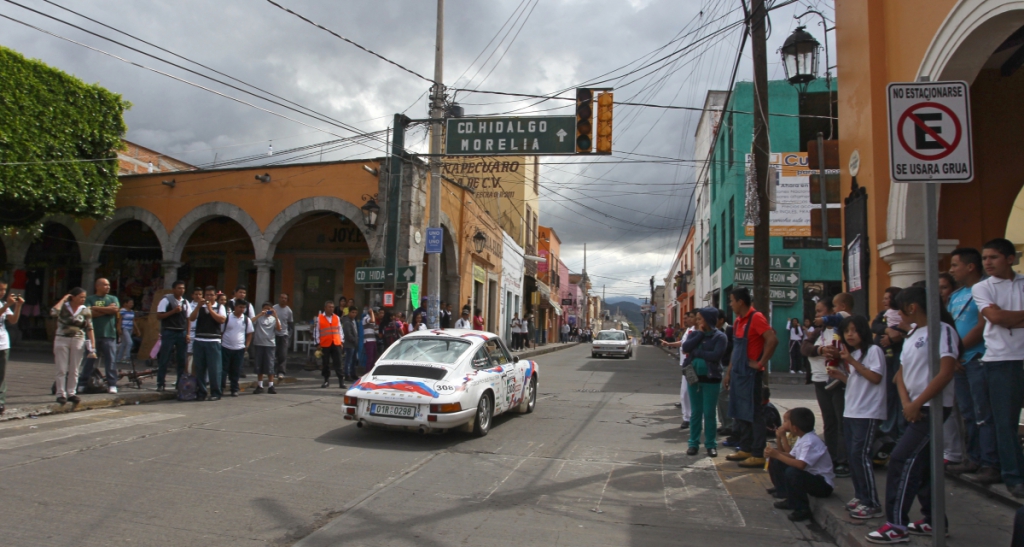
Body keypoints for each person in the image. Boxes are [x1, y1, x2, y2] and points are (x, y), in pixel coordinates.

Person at [866, 286, 958, 543]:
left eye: (898, 308)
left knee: (900, 460)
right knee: (923, 466)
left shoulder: (943, 331)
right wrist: (908, 403)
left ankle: (896, 523)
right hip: (914, 408)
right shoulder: (914, 333)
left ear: (912, 308)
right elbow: (901, 374)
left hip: (931, 409)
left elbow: (946, 371)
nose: (895, 314)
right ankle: (933, 520)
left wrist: (918, 403)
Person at [971, 238, 1024, 498]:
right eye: (985, 258)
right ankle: (1014, 476)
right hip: (1001, 359)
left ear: (1010, 258)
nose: (988, 263)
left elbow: (1005, 318)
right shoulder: (983, 288)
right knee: (1006, 422)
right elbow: (996, 318)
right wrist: (1007, 318)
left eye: (993, 257)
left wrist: (1010, 319)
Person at [945, 248, 999, 482]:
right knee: (967, 414)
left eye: (955, 265)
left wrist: (957, 351)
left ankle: (990, 462)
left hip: (977, 359)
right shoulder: (957, 295)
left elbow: (981, 326)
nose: (951, 269)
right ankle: (973, 457)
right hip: (959, 362)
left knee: (983, 414)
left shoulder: (986, 290)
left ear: (970, 266)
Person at [830, 315, 887, 520]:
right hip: (852, 410)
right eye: (847, 332)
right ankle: (861, 495)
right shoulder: (855, 355)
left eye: (854, 330)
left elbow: (875, 377)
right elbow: (859, 382)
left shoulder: (873, 351)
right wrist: (843, 377)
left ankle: (872, 502)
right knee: (853, 456)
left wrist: (851, 361)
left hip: (867, 412)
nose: (850, 335)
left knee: (861, 455)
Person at [724, 287, 778, 468]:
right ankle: (745, 448)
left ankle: (758, 452)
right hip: (738, 374)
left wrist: (761, 362)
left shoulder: (756, 318)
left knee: (755, 414)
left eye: (732, 301)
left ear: (740, 301)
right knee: (740, 413)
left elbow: (772, 339)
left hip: (750, 374)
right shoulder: (738, 321)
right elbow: (736, 350)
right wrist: (729, 372)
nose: (730, 304)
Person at [801, 298, 851, 479]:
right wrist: (820, 350)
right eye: (816, 312)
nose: (817, 316)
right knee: (829, 420)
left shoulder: (842, 328)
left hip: (836, 380)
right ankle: (832, 457)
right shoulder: (817, 333)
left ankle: (844, 461)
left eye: (820, 311)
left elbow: (843, 317)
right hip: (820, 379)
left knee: (840, 420)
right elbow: (805, 347)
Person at [765, 408, 835, 522]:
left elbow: (800, 465)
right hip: (811, 476)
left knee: (793, 472)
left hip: (823, 484)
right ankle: (787, 496)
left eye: (788, 422)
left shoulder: (810, 441)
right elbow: (791, 456)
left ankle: (802, 509)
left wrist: (778, 455)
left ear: (795, 428)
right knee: (778, 461)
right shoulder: (803, 438)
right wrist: (775, 454)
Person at [681, 307, 727, 457]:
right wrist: (700, 334)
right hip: (693, 378)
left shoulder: (720, 337)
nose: (697, 321)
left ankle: (711, 444)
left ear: (708, 320)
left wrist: (696, 352)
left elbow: (715, 355)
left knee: (709, 413)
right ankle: (693, 443)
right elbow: (686, 348)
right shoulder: (695, 334)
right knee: (696, 413)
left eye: (700, 319)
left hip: (711, 379)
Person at [51, 288, 97, 405]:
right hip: (62, 338)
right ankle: (60, 393)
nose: (83, 299)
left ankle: (71, 392)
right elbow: (53, 312)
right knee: (61, 368)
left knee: (74, 368)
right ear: (73, 297)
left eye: (84, 297)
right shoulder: (64, 307)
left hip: (78, 339)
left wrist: (92, 345)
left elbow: (89, 328)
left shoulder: (85, 310)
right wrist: (63, 299)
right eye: (80, 297)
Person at [872, 287, 906, 443]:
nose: (884, 301)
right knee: (888, 393)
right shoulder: (883, 315)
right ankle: (888, 429)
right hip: (885, 356)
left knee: (897, 393)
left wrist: (893, 338)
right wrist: (887, 331)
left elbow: (905, 330)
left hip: (897, 357)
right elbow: (875, 325)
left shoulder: (902, 314)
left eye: (887, 298)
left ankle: (897, 429)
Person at [80, 278, 119, 394]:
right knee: (89, 360)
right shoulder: (90, 299)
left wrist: (95, 309)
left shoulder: (113, 298)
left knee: (111, 360)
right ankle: (82, 383)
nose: (108, 287)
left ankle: (112, 384)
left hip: (109, 334)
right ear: (97, 286)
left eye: (109, 285)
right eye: (105, 285)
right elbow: (87, 312)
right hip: (93, 334)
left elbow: (115, 310)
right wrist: (107, 310)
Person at [189, 286, 226, 401]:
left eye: (211, 295)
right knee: (200, 368)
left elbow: (221, 320)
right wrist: (199, 307)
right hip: (199, 340)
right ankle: (201, 392)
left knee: (214, 369)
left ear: (215, 296)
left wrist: (210, 309)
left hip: (213, 341)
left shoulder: (219, 307)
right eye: (207, 295)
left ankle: (215, 392)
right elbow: (191, 318)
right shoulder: (199, 307)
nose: (209, 297)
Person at [662, 311, 696, 428]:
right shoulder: (688, 330)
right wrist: (669, 344)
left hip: (692, 365)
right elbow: (682, 343)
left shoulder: (697, 331)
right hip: (686, 365)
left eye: (689, 318)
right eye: (686, 318)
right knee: (685, 393)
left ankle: (692, 417)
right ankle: (687, 417)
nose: (686, 320)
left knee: (690, 392)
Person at [155, 281, 190, 392]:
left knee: (181, 359)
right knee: (164, 359)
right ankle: (160, 383)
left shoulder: (185, 302)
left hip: (181, 332)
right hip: (169, 332)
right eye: (179, 288)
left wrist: (187, 333)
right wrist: (173, 311)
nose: (181, 290)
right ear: (173, 289)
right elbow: (159, 315)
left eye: (183, 288)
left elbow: (188, 319)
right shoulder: (166, 300)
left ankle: (179, 383)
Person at [220, 299, 253, 397]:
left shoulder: (246, 319)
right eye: (240, 307)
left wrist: (247, 345)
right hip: (225, 347)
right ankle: (221, 388)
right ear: (235, 307)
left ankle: (234, 389)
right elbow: (221, 331)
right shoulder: (227, 318)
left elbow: (249, 334)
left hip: (239, 348)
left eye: (244, 307)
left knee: (236, 370)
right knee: (223, 370)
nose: (242, 309)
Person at [0, 281, 24, 415]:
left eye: (4, 290)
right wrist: (7, 305)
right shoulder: (4, 305)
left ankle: (0, 402)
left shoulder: (3, 304)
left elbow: (13, 320)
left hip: (3, 342)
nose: (2, 293)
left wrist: (18, 306)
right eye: (0, 290)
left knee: (1, 374)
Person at [252, 302, 282, 394]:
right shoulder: (259, 318)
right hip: (259, 344)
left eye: (269, 309)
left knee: (270, 365)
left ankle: (271, 385)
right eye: (265, 309)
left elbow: (279, 328)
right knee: (259, 365)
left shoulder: (273, 319)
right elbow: (250, 321)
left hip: (270, 345)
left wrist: (276, 316)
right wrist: (260, 314)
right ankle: (260, 385)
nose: (267, 311)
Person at [314, 300, 344, 389]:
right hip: (325, 344)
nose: (331, 309)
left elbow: (340, 330)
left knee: (338, 362)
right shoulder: (319, 318)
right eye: (329, 307)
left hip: (336, 343)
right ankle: (326, 380)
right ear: (325, 308)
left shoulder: (336, 317)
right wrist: (317, 343)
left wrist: (341, 341)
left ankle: (341, 381)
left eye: (332, 307)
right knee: (325, 363)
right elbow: (316, 331)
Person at [716, 310, 735, 440]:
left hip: (728, 366)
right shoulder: (715, 332)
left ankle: (730, 424)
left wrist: (729, 371)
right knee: (719, 395)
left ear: (721, 320)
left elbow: (734, 350)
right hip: (719, 366)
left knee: (723, 393)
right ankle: (724, 423)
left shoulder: (730, 330)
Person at [272, 293, 293, 379]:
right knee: (273, 354)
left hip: (284, 334)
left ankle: (281, 372)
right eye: (282, 298)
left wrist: (288, 334)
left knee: (283, 354)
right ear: (279, 298)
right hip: (273, 334)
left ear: (287, 300)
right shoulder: (274, 308)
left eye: (285, 298)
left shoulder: (289, 311)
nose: (283, 299)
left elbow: (289, 323)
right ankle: (271, 371)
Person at [114, 296, 139, 365]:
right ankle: (126, 357)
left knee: (124, 344)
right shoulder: (122, 311)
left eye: (132, 303)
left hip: (130, 328)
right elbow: (119, 320)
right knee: (130, 343)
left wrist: (136, 329)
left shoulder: (131, 312)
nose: (132, 304)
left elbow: (133, 321)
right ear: (125, 303)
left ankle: (118, 358)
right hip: (124, 328)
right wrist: (119, 329)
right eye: (130, 303)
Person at [185, 286, 203, 371]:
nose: (198, 296)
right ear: (192, 295)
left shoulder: (205, 305)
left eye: (200, 294)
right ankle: (185, 375)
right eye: (196, 294)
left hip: (200, 333)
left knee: (198, 355)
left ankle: (194, 375)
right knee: (188, 354)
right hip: (190, 332)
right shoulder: (188, 305)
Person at [342, 307, 359, 381]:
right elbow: (348, 334)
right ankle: (347, 374)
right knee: (348, 360)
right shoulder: (347, 321)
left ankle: (353, 373)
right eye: (352, 312)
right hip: (349, 344)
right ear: (349, 313)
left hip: (354, 344)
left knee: (354, 360)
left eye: (355, 312)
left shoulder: (353, 321)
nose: (354, 314)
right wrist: (354, 340)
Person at [362, 306, 378, 373]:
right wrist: (371, 312)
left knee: (374, 358)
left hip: (373, 340)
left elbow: (374, 328)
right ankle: (367, 372)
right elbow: (372, 320)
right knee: (370, 358)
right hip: (368, 341)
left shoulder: (371, 320)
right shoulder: (366, 318)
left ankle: (371, 371)